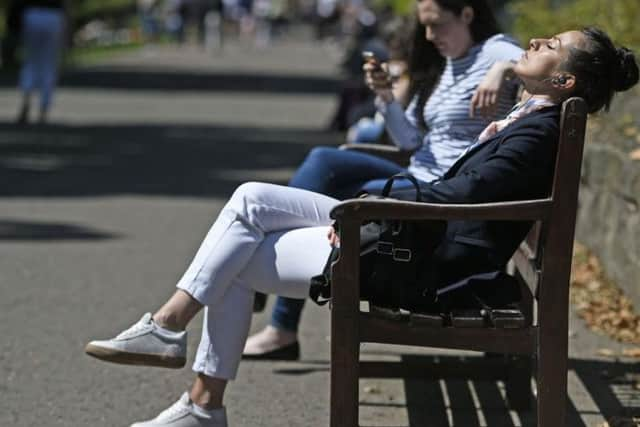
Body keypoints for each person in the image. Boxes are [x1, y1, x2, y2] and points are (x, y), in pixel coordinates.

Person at [84, 27, 638, 427]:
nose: (537, 41)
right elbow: (460, 191)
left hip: (423, 260)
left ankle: (194, 387)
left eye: (552, 46)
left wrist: (371, 204)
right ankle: (175, 344)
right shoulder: (533, 120)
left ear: (564, 79)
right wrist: (375, 201)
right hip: (418, 233)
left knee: (234, 257)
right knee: (249, 200)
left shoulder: (538, 132)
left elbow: (462, 196)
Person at [243, 0, 523, 360]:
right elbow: (410, 141)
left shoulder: (493, 50)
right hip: (417, 170)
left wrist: (501, 69)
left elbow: (538, 65)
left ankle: (275, 311)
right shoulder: (454, 61)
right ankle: (274, 305)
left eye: (436, 25)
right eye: (425, 26)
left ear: (467, 14)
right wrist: (386, 98)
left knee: (358, 201)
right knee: (323, 160)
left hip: (441, 191)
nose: (429, 35)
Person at [15, 0, 66, 125]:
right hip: (53, 16)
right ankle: (44, 108)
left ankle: (26, 99)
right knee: (48, 63)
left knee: (31, 61)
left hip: (32, 15)